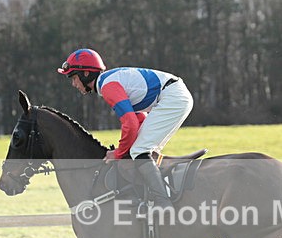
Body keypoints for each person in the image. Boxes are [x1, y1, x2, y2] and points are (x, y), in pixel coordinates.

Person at [58, 48, 193, 208]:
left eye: (73, 78)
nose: (74, 84)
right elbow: (139, 118)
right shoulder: (108, 82)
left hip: (173, 97)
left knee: (139, 150)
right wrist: (124, 150)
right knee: (138, 149)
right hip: (173, 95)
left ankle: (162, 202)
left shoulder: (108, 86)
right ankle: (151, 195)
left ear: (85, 74)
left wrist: (118, 153)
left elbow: (130, 122)